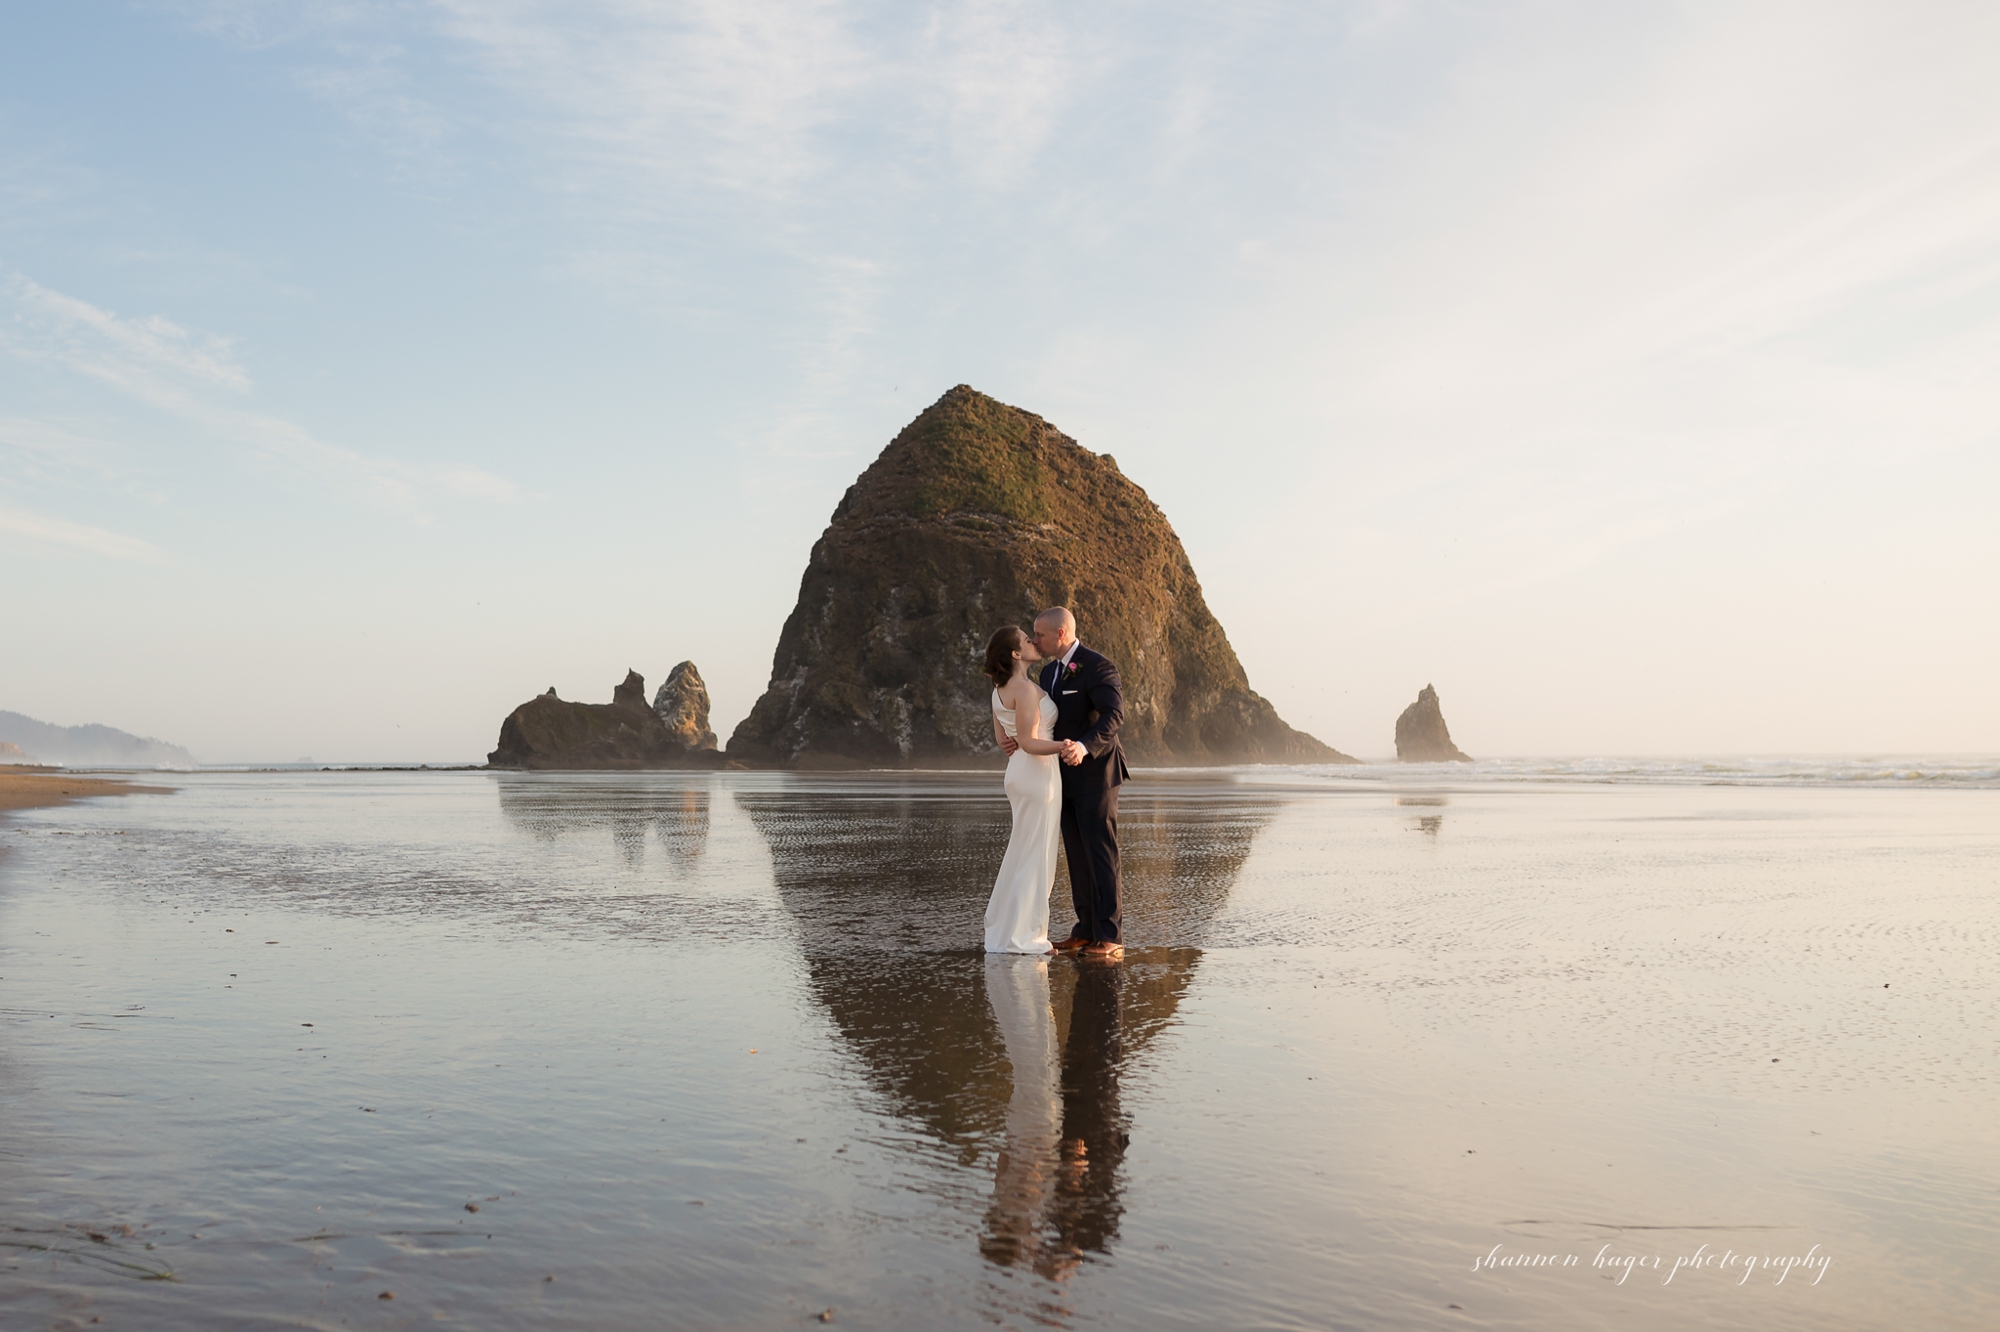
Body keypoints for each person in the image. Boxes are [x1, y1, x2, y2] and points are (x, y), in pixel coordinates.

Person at [1000, 607, 1128, 959]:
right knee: (1076, 854)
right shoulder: (1050, 672)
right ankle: (1085, 930)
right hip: (1059, 777)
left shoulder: (1098, 665)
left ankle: (1110, 936)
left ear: (1060, 634)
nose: (1035, 640)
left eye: (1039, 634)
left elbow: (1113, 714)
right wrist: (1013, 737)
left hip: (1097, 774)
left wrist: (1085, 747)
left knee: (1101, 854)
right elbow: (1040, 720)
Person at [982, 626, 1073, 953]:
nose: (1033, 642)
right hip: (1037, 775)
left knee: (1022, 852)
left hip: (1019, 773)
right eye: (1025, 640)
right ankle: (1026, 938)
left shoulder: (999, 690)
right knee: (1036, 858)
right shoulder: (1022, 688)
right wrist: (1066, 745)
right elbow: (1030, 742)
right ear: (1016, 655)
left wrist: (1019, 743)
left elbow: (1003, 739)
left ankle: (1009, 931)